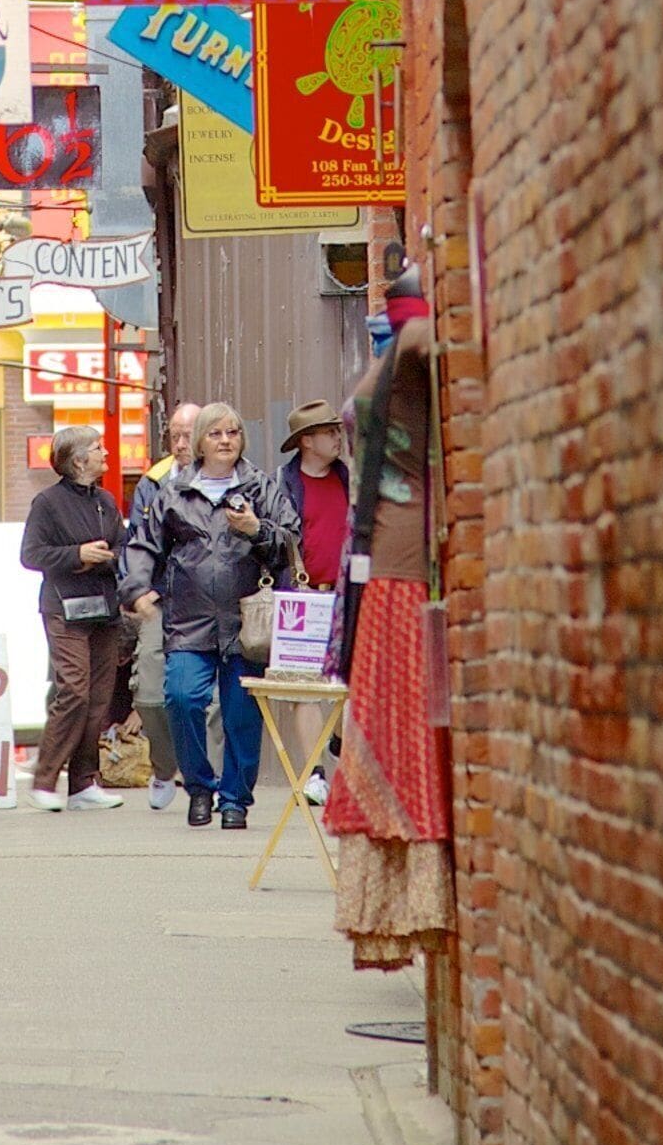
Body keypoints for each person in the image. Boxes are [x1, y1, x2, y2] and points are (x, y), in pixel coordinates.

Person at [326, 269, 450, 965]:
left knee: (398, 725)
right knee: (383, 723)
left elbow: (435, 346)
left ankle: (415, 904)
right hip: (381, 563)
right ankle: (398, 911)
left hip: (404, 563)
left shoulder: (409, 345)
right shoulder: (395, 349)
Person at [120, 402, 297, 829]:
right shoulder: (174, 492)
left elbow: (290, 539)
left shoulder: (260, 488)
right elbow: (143, 546)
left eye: (233, 433)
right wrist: (138, 588)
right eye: (216, 434)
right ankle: (200, 786)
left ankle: (235, 799)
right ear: (199, 441)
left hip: (244, 622)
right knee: (181, 698)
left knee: (241, 714)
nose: (225, 441)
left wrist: (257, 530)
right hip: (188, 620)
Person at [18, 427, 133, 811]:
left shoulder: (105, 500)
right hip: (64, 608)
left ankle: (84, 784)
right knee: (74, 691)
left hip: (104, 607)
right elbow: (31, 555)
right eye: (98, 447)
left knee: (99, 698)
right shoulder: (47, 503)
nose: (105, 452)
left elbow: (122, 544)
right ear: (78, 460)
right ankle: (45, 778)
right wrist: (78, 555)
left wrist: (112, 556)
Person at [275, 399, 352, 805]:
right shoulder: (284, 485)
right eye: (329, 432)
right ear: (307, 441)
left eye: (337, 431)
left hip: (346, 596)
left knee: (350, 687)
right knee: (304, 691)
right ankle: (314, 774)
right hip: (302, 596)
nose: (338, 438)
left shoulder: (347, 479)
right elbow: (276, 540)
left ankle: (338, 740)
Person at [133, 401, 200, 808]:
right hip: (161, 599)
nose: (179, 443)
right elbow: (138, 541)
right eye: (174, 435)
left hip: (207, 602)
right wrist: (139, 587)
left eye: (187, 435)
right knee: (150, 695)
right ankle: (163, 767)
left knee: (203, 702)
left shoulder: (228, 480)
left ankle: (203, 786)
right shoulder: (152, 482)